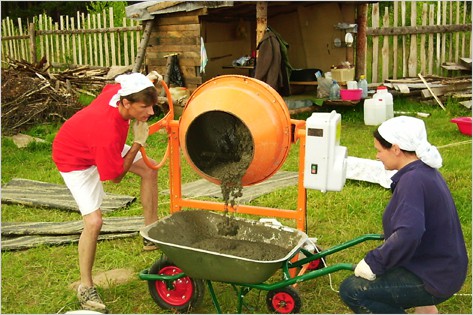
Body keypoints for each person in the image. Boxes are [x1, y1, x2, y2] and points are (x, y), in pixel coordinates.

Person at [52, 72, 161, 312]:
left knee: (149, 170)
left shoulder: (118, 92)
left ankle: (150, 233)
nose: (151, 113)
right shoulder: (106, 130)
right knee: (94, 222)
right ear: (126, 104)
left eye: (152, 106)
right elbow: (116, 177)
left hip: (93, 143)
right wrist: (137, 143)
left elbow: (122, 81)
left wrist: (149, 80)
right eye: (145, 107)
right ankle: (86, 286)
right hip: (74, 159)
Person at [339, 116, 468, 314]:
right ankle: (426, 310)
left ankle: (424, 300)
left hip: (435, 274)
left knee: (352, 290)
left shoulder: (413, 181)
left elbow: (409, 232)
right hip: (442, 265)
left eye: (379, 150)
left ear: (396, 149)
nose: (377, 156)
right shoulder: (424, 171)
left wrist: (374, 262)